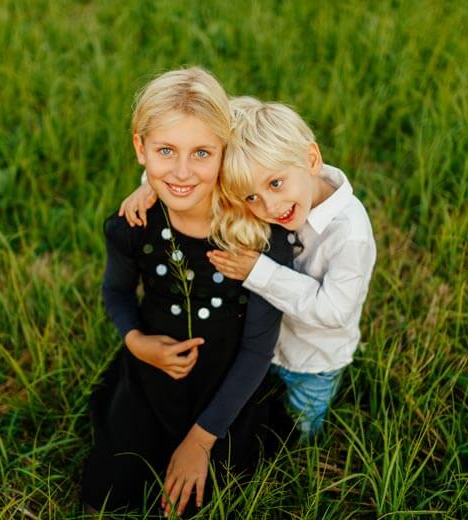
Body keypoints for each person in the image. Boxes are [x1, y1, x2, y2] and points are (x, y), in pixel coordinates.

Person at [81, 69, 293, 517]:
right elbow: (116, 291)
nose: (181, 172)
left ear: (224, 153)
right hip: (151, 375)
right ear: (141, 149)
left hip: (229, 381)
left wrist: (200, 442)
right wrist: (136, 342)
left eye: (201, 153)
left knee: (214, 499)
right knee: (108, 494)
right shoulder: (132, 225)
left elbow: (257, 350)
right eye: (165, 151)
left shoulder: (259, 237)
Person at [121, 96, 376, 439]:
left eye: (275, 184)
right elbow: (198, 175)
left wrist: (259, 272)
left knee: (294, 437)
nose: (269, 206)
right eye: (251, 198)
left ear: (310, 159)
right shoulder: (271, 183)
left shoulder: (349, 234)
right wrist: (150, 186)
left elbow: (334, 311)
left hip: (310, 362)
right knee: (247, 415)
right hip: (255, 344)